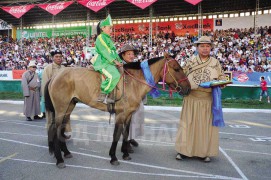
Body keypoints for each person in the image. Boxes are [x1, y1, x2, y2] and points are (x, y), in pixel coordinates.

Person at [175, 36, 226, 162]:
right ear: (197, 48)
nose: (205, 49)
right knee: (188, 125)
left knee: (205, 127)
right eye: (202, 46)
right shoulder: (190, 61)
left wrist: (223, 82)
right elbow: (181, 76)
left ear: (211, 48)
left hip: (207, 99)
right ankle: (184, 151)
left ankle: (204, 152)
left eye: (207, 46)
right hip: (191, 98)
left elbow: (222, 76)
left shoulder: (215, 62)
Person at [91, 14, 122, 104]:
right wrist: (114, 61)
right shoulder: (100, 37)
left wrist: (120, 61)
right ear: (103, 28)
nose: (111, 30)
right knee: (114, 75)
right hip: (103, 62)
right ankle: (103, 93)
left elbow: (113, 52)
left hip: (109, 61)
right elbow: (105, 51)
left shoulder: (108, 38)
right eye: (110, 28)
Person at [119, 44, 145, 153]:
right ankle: (126, 141)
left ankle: (132, 137)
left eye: (133, 54)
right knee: (127, 120)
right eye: (128, 54)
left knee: (138, 116)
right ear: (123, 55)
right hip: (124, 97)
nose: (131, 56)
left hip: (136, 96)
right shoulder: (120, 66)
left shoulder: (137, 66)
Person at [42, 49, 72, 136]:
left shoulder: (65, 69)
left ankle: (62, 134)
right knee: (52, 117)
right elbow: (44, 84)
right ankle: (52, 135)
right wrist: (46, 99)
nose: (59, 58)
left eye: (60, 57)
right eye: (56, 57)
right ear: (53, 58)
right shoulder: (48, 69)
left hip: (64, 98)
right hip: (52, 97)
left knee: (63, 117)